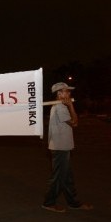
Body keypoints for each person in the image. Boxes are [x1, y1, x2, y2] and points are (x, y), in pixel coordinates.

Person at [41, 82, 93, 212]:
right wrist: (71, 105)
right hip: (60, 148)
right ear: (59, 94)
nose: (69, 93)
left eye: (69, 91)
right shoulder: (60, 107)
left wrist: (69, 105)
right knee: (58, 177)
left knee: (67, 177)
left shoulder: (59, 106)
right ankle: (48, 203)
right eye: (66, 91)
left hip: (62, 146)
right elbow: (75, 123)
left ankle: (73, 203)